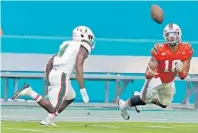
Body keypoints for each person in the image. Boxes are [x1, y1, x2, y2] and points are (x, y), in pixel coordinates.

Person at [12, 26, 96, 125]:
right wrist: (82, 88)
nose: (90, 40)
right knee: (52, 108)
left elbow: (49, 63)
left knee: (70, 97)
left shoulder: (67, 44)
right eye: (89, 37)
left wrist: (50, 82)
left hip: (54, 74)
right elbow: (79, 65)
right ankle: (29, 91)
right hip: (62, 76)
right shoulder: (83, 46)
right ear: (83, 35)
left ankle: (48, 120)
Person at [118, 23, 194, 120]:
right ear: (164, 36)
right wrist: (149, 73)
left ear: (179, 34)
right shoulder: (159, 49)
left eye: (174, 34)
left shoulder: (186, 49)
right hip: (156, 77)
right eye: (168, 35)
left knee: (164, 104)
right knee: (143, 100)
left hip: (169, 81)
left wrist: (180, 70)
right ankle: (123, 105)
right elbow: (149, 69)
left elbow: (183, 76)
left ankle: (138, 95)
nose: (171, 37)